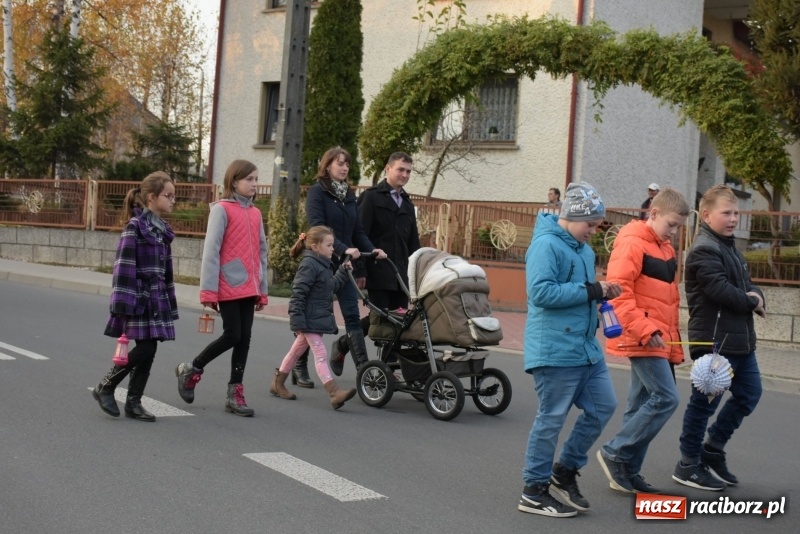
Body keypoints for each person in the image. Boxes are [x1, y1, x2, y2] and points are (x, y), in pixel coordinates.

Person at [519, 182, 621, 518]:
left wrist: (601, 294)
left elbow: (583, 292)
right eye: (590, 224)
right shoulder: (545, 245)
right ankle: (533, 491)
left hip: (586, 348)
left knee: (603, 406)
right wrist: (592, 290)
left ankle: (564, 471)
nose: (593, 231)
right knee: (551, 419)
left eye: (597, 225)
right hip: (555, 349)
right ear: (572, 216)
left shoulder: (584, 251)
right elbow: (541, 293)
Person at [596, 188, 690, 494]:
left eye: (678, 227)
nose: (674, 232)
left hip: (657, 336)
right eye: (671, 224)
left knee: (638, 406)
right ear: (654, 213)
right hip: (643, 335)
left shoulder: (666, 247)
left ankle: (627, 471)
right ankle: (614, 452)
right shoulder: (632, 242)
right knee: (666, 398)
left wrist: (667, 335)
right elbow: (619, 293)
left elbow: (668, 300)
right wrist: (647, 331)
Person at [672, 184, 766, 491]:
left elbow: (748, 285)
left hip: (741, 343)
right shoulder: (704, 249)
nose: (734, 219)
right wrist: (752, 301)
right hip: (715, 343)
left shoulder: (729, 247)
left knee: (750, 394)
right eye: (727, 213)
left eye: (736, 213)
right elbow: (720, 291)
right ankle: (687, 465)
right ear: (707, 215)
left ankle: (712, 449)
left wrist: (757, 295)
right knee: (703, 406)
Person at [175, 160, 268, 417]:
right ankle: (192, 369)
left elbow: (262, 253)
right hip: (228, 283)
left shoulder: (256, 213)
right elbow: (211, 251)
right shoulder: (222, 209)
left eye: (256, 178)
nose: (254, 184)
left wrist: (262, 290)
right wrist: (208, 290)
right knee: (232, 335)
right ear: (234, 182)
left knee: (244, 339)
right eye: (249, 179)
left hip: (249, 287)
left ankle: (234, 393)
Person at [91, 171, 179, 422]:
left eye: (174, 196)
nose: (173, 200)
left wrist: (169, 300)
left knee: (149, 349)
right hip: (139, 298)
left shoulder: (162, 231)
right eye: (168, 195)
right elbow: (123, 267)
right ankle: (106, 385)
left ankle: (133, 402)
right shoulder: (136, 227)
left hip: (156, 298)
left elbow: (167, 272)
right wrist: (123, 304)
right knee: (146, 348)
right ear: (152, 197)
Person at [299, 147, 386, 386]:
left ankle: (364, 372)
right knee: (314, 317)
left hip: (345, 265)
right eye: (340, 163)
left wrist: (373, 250)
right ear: (327, 166)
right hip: (320, 263)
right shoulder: (317, 193)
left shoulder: (348, 194)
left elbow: (357, 231)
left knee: (351, 315)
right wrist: (342, 248)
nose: (345, 168)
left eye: (347, 164)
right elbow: (317, 227)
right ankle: (298, 365)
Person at [328, 151, 420, 374]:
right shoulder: (371, 198)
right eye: (400, 169)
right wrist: (361, 270)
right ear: (388, 169)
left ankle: (350, 349)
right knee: (382, 319)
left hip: (400, 274)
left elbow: (413, 243)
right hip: (377, 271)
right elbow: (359, 234)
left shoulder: (407, 204)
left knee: (398, 320)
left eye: (408, 171)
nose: (405, 175)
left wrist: (416, 273)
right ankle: (383, 369)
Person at [270, 226, 358, 409]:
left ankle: (278, 383)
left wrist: (342, 271)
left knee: (295, 352)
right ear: (315, 247)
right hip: (308, 319)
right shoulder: (309, 265)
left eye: (332, 245)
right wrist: (297, 321)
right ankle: (334, 393)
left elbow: (330, 287)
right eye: (329, 245)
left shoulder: (323, 264)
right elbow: (298, 294)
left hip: (314, 318)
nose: (333, 249)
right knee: (321, 354)